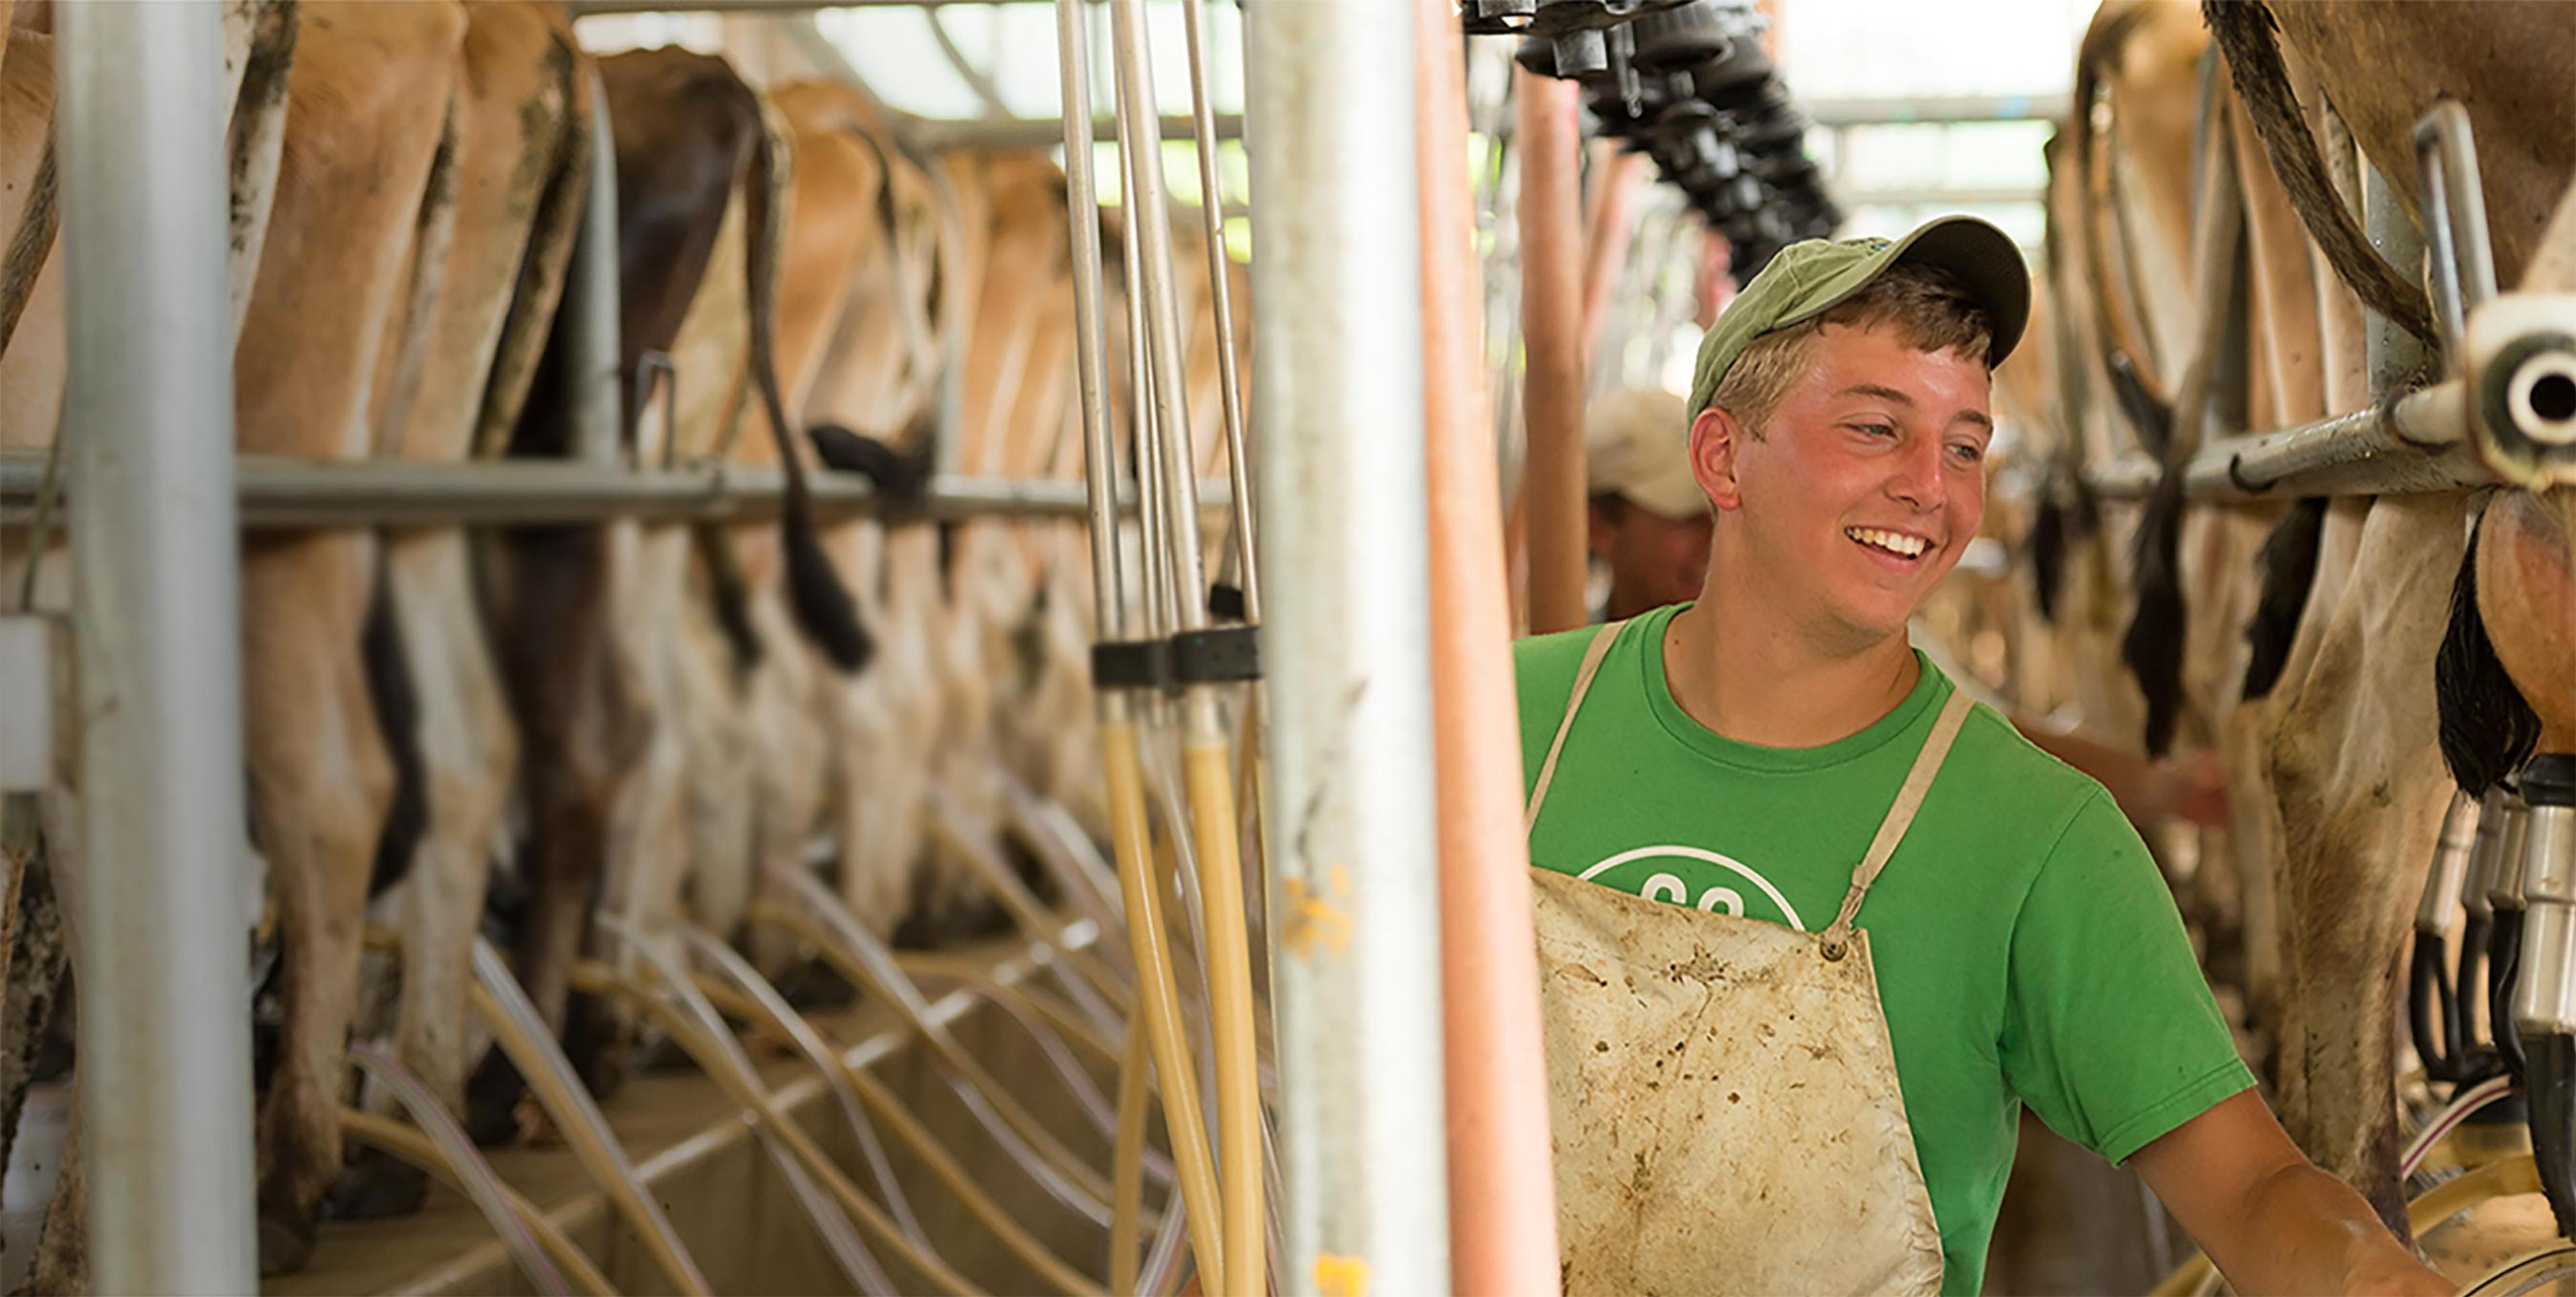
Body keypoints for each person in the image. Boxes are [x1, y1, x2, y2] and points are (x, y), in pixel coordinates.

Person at [1516, 217, 2447, 1296]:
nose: (1933, 488)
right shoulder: (1509, 721)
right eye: (1876, 428)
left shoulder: (2037, 837)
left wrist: (2368, 1273)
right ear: (1723, 456)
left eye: (1965, 445)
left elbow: (2251, 1190)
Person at [1582, 384, 2230, 832]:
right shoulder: (1561, 684)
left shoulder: (1836, 637)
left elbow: (1985, 739)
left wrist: (2160, 788)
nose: (1714, 529)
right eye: (1679, 516)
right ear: (1601, 527)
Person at [1585, 386, 1713, 623]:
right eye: (1687, 516)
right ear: (1599, 527)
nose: (1714, 537)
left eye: (1721, 512)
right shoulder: (1566, 655)